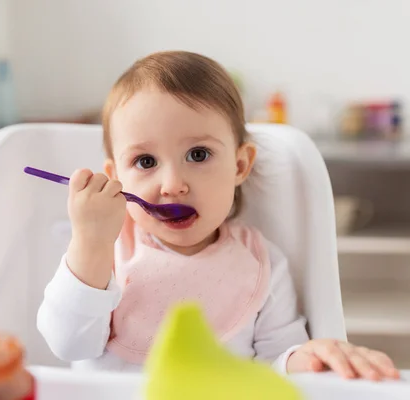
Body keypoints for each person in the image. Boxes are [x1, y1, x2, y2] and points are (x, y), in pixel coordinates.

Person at [37, 51, 399, 381]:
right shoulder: (101, 253)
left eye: (198, 155)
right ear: (116, 178)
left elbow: (274, 365)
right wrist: (90, 242)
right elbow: (69, 345)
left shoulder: (262, 263)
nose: (173, 185)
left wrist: (307, 356)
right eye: (145, 162)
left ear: (240, 165)